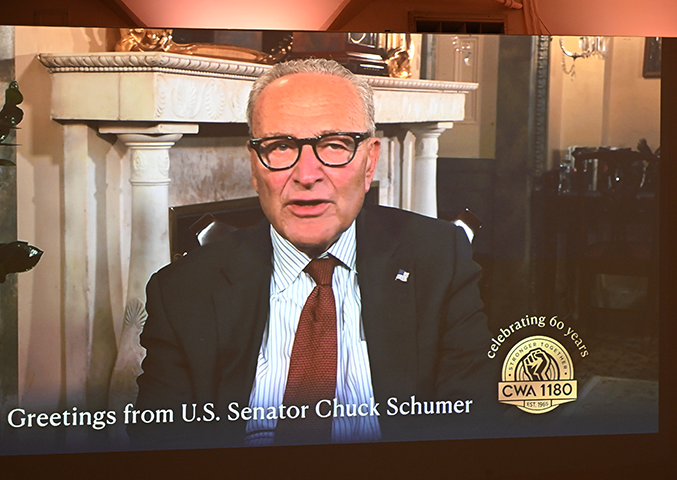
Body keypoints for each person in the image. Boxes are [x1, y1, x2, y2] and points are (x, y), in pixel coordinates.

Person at [130, 58, 495, 449]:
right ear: (254, 166)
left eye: (334, 145)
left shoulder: (439, 259)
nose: (306, 175)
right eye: (280, 146)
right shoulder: (182, 290)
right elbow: (161, 448)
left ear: (370, 162)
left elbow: (470, 426)